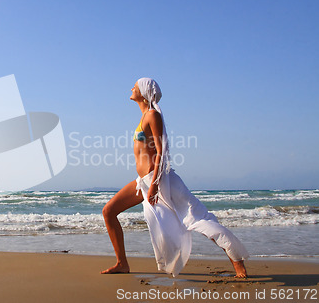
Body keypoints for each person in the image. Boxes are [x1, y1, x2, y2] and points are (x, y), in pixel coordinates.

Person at [101, 78, 249, 278]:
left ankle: (236, 259)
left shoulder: (152, 115)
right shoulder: (144, 115)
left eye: (135, 86)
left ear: (143, 92)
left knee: (196, 218)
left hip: (159, 180)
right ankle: (122, 263)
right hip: (143, 181)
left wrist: (154, 185)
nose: (131, 88)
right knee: (109, 211)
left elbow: (160, 153)